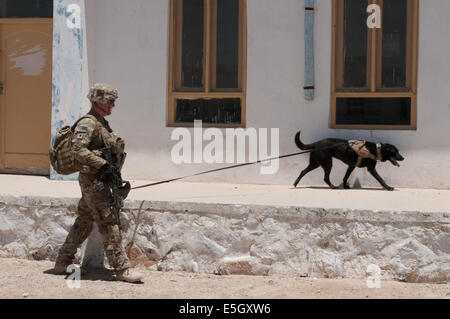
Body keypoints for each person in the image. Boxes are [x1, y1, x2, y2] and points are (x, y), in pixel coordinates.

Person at [54, 83, 143, 283]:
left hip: (100, 180)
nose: (113, 105)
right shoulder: (89, 123)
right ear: (100, 101)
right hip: (94, 181)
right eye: (111, 101)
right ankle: (122, 268)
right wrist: (103, 166)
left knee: (85, 220)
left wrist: (111, 171)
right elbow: (78, 149)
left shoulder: (101, 122)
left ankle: (62, 262)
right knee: (109, 221)